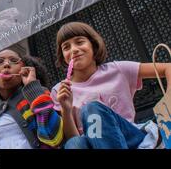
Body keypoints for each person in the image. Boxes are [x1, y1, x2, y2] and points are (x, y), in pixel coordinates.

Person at [52, 21, 171, 149]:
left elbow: (168, 68)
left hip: (131, 139)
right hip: (93, 145)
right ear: (63, 57)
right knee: (74, 143)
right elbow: (74, 139)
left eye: (80, 42)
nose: (74, 50)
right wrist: (66, 109)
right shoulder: (60, 91)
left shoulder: (118, 69)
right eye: (66, 47)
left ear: (93, 45)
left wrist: (169, 99)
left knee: (91, 109)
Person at [0, 48, 64, 149]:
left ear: (24, 69)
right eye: (0, 61)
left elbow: (54, 138)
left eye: (14, 61)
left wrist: (32, 87)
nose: (6, 64)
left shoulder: (39, 93)